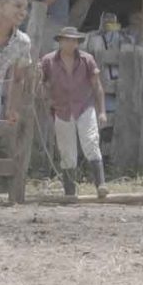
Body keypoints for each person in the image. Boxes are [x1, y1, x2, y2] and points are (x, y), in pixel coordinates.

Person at [39, 27, 108, 198]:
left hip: (84, 106)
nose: (71, 43)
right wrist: (39, 82)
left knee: (91, 143)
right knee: (66, 152)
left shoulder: (87, 59)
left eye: (74, 40)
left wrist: (102, 111)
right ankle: (69, 193)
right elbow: (41, 85)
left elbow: (97, 87)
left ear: (78, 43)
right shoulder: (48, 61)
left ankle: (101, 185)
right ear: (60, 41)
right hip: (61, 108)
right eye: (67, 40)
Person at [0, 0, 32, 126]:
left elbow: (18, 79)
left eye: (25, 9)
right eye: (18, 6)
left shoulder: (22, 42)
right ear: (1, 6)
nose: (23, 12)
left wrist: (12, 108)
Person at [88, 12, 134, 114]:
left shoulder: (124, 36)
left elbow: (130, 46)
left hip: (119, 77)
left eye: (111, 20)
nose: (108, 22)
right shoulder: (95, 36)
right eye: (106, 20)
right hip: (103, 76)